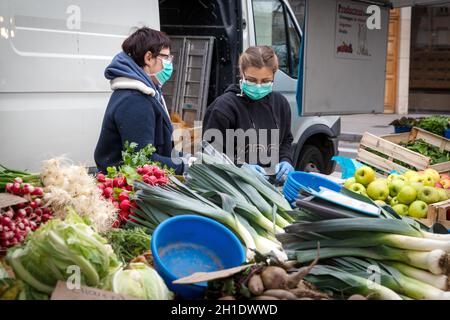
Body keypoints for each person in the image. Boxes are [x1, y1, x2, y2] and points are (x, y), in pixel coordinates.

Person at [94, 27, 192, 174]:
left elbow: (158, 148)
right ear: (148, 58)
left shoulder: (144, 93)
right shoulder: (135, 100)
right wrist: (184, 166)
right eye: (166, 58)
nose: (169, 64)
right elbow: (142, 161)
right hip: (128, 186)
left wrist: (185, 159)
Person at [202, 46, 294, 183]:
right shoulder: (223, 108)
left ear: (274, 75)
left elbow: (286, 139)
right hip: (234, 188)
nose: (258, 86)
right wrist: (240, 168)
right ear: (242, 73)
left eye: (265, 81)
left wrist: (286, 160)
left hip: (272, 186)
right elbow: (210, 152)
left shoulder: (281, 104)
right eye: (251, 80)